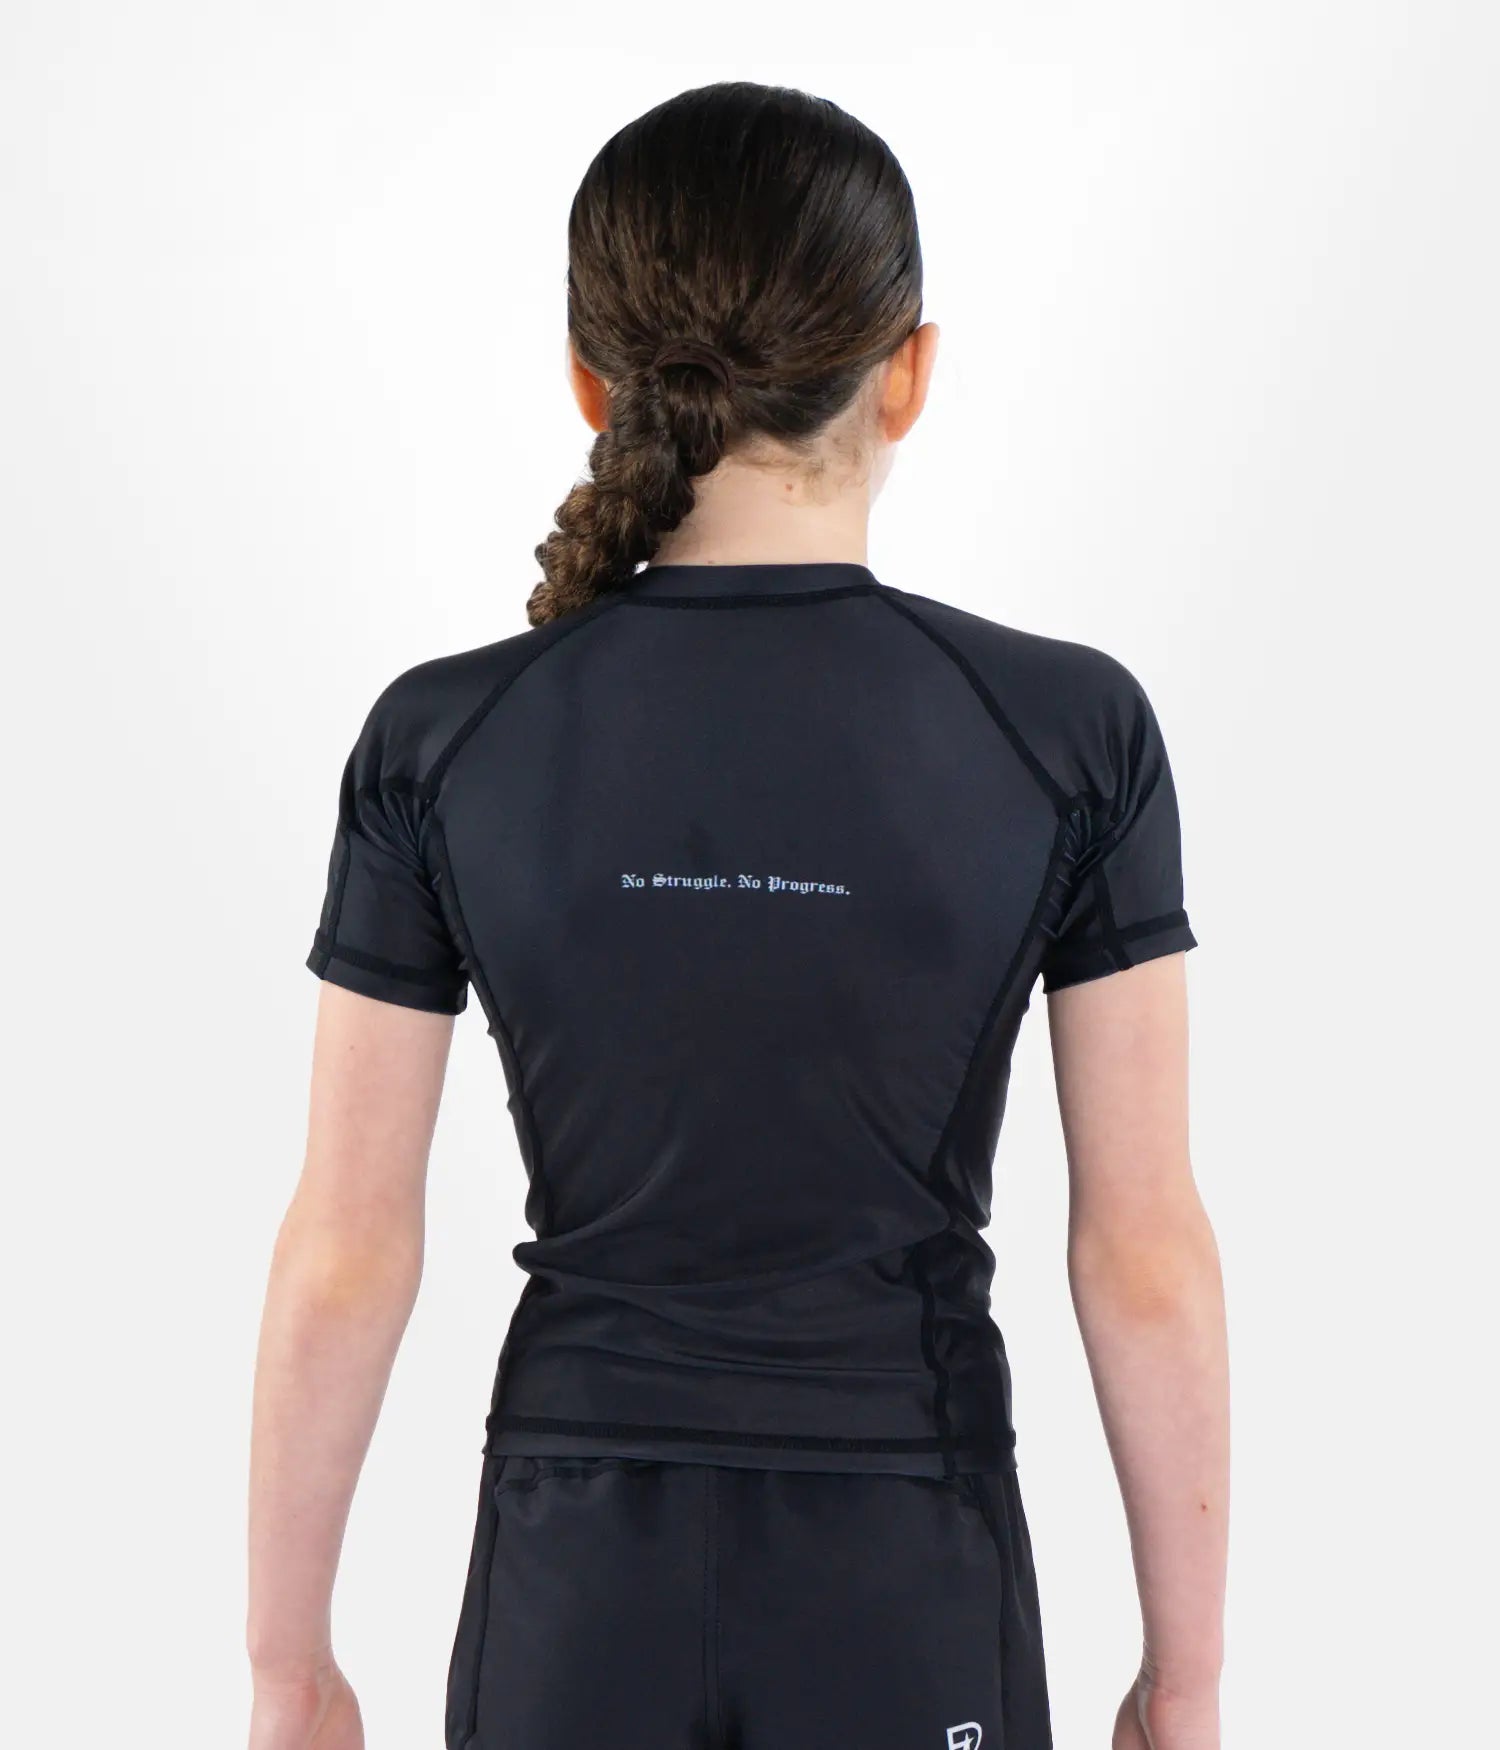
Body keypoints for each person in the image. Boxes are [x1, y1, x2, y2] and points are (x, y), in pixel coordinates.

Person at [247, 80, 1229, 1750]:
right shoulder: (1068, 733)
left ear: (589, 382)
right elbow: (1140, 1254)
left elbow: (347, 1248)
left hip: (574, 1575)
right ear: (907, 373)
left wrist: (290, 1669)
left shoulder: (444, 739)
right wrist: (1185, 1678)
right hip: (908, 1569)